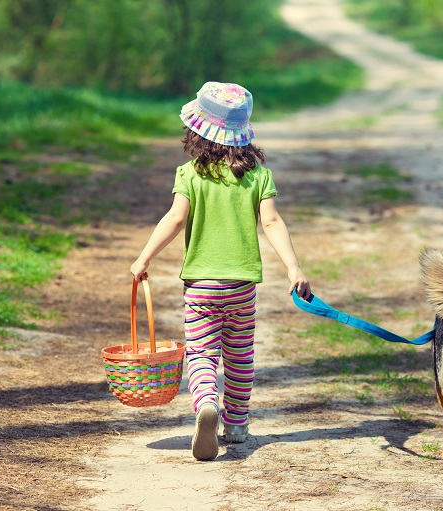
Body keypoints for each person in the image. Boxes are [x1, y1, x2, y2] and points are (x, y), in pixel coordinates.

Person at [130, 81, 311, 461]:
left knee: (201, 354)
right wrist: (294, 268)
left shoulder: (190, 174)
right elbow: (273, 223)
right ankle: (238, 424)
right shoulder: (258, 176)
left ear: (198, 132)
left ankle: (206, 403)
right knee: (240, 355)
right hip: (241, 286)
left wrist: (144, 257)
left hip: (201, 286)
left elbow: (176, 219)